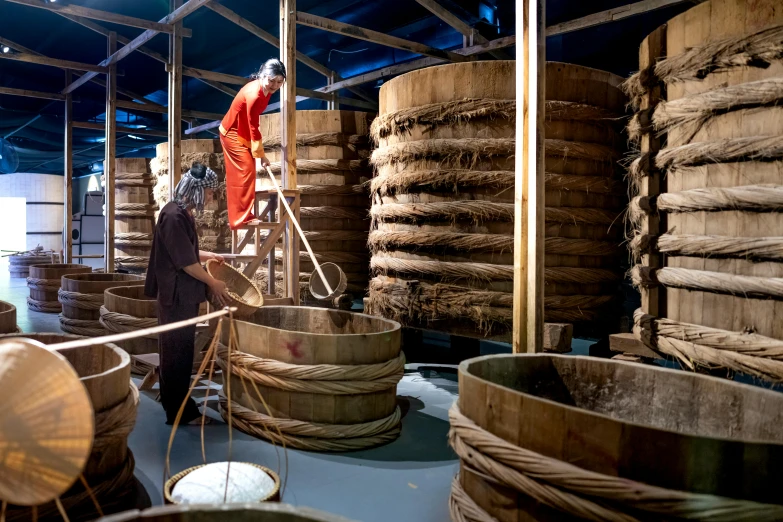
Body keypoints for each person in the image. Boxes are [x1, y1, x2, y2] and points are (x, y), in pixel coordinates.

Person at [144, 161, 232, 425]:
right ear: (194, 189)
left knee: (176, 350)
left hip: (182, 295)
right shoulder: (173, 216)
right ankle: (181, 412)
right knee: (177, 353)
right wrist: (213, 282)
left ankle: (171, 399)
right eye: (208, 192)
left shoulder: (181, 213)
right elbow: (185, 263)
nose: (211, 197)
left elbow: (184, 252)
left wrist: (209, 254)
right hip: (176, 296)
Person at [219, 58, 286, 229]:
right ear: (263, 76)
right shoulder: (255, 95)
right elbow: (253, 126)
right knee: (246, 170)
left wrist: (259, 154)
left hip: (240, 131)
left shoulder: (264, 90)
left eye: (279, 82)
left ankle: (244, 215)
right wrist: (261, 156)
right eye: (272, 80)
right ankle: (241, 218)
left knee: (248, 170)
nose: (275, 85)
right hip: (232, 133)